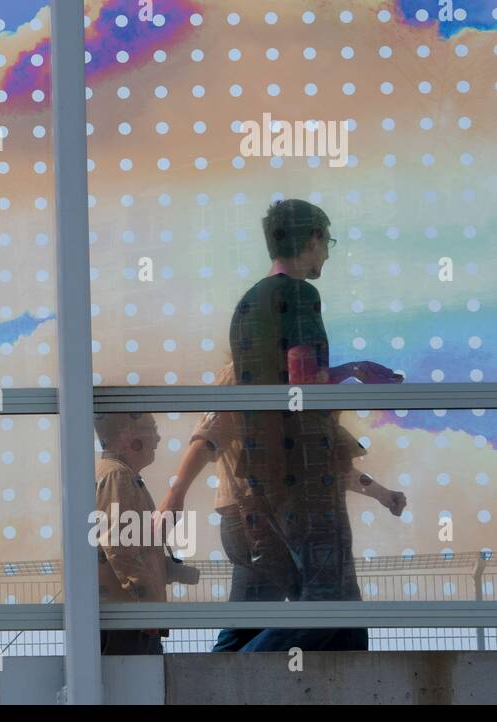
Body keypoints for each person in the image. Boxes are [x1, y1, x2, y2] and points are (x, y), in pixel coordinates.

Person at [227, 199, 402, 652]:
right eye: (326, 242)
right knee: (330, 599)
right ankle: (229, 680)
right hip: (305, 471)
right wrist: (356, 370)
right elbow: (305, 383)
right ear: (311, 240)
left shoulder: (247, 304)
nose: (326, 254)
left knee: (342, 599)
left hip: (265, 473)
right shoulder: (300, 295)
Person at [160, 362, 408, 652]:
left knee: (259, 621)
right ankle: (222, 680)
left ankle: (221, 678)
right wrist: (175, 495)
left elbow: (330, 467)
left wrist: (381, 493)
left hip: (274, 517)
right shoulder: (248, 367)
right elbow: (208, 438)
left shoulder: (294, 381)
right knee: (330, 606)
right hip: (257, 516)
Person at [93, 412, 199, 655]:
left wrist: (171, 570)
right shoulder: (117, 475)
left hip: (124, 611)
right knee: (139, 686)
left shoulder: (114, 473)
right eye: (151, 429)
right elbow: (120, 547)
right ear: (126, 436)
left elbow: (128, 547)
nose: (158, 438)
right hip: (128, 615)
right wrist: (145, 604)